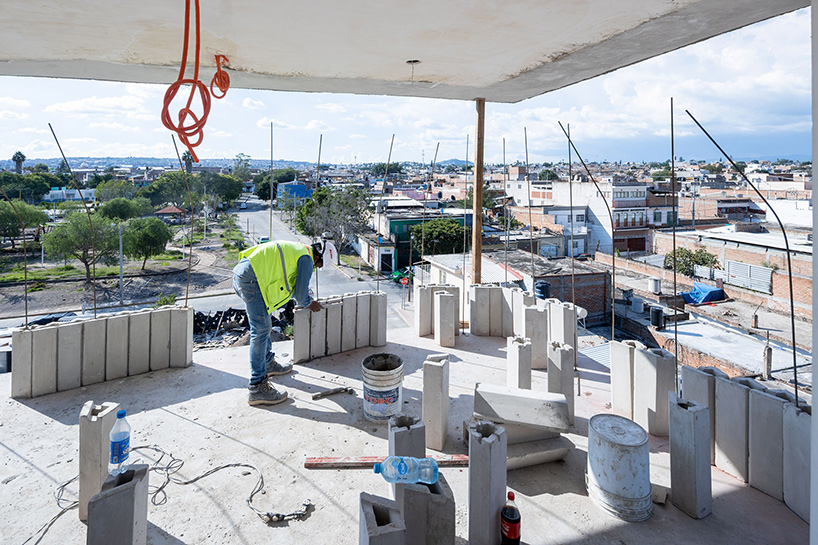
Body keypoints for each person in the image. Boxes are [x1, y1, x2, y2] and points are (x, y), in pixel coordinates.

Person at [232, 239, 336, 406]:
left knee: (264, 325)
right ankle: (257, 387)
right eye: (320, 265)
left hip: (247, 275)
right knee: (260, 330)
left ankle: (267, 363)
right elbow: (302, 295)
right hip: (251, 280)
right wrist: (310, 304)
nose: (317, 268)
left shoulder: (300, 250)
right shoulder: (306, 259)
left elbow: (294, 285)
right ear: (318, 258)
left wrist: (304, 295)